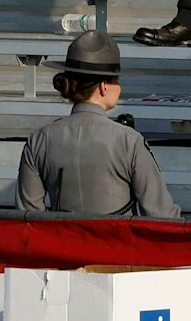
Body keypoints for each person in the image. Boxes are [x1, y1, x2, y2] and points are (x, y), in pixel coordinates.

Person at [16, 31, 180, 218]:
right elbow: (161, 215)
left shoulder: (39, 140)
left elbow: (27, 216)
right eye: (116, 79)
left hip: (60, 245)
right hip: (115, 245)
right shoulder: (129, 141)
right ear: (104, 86)